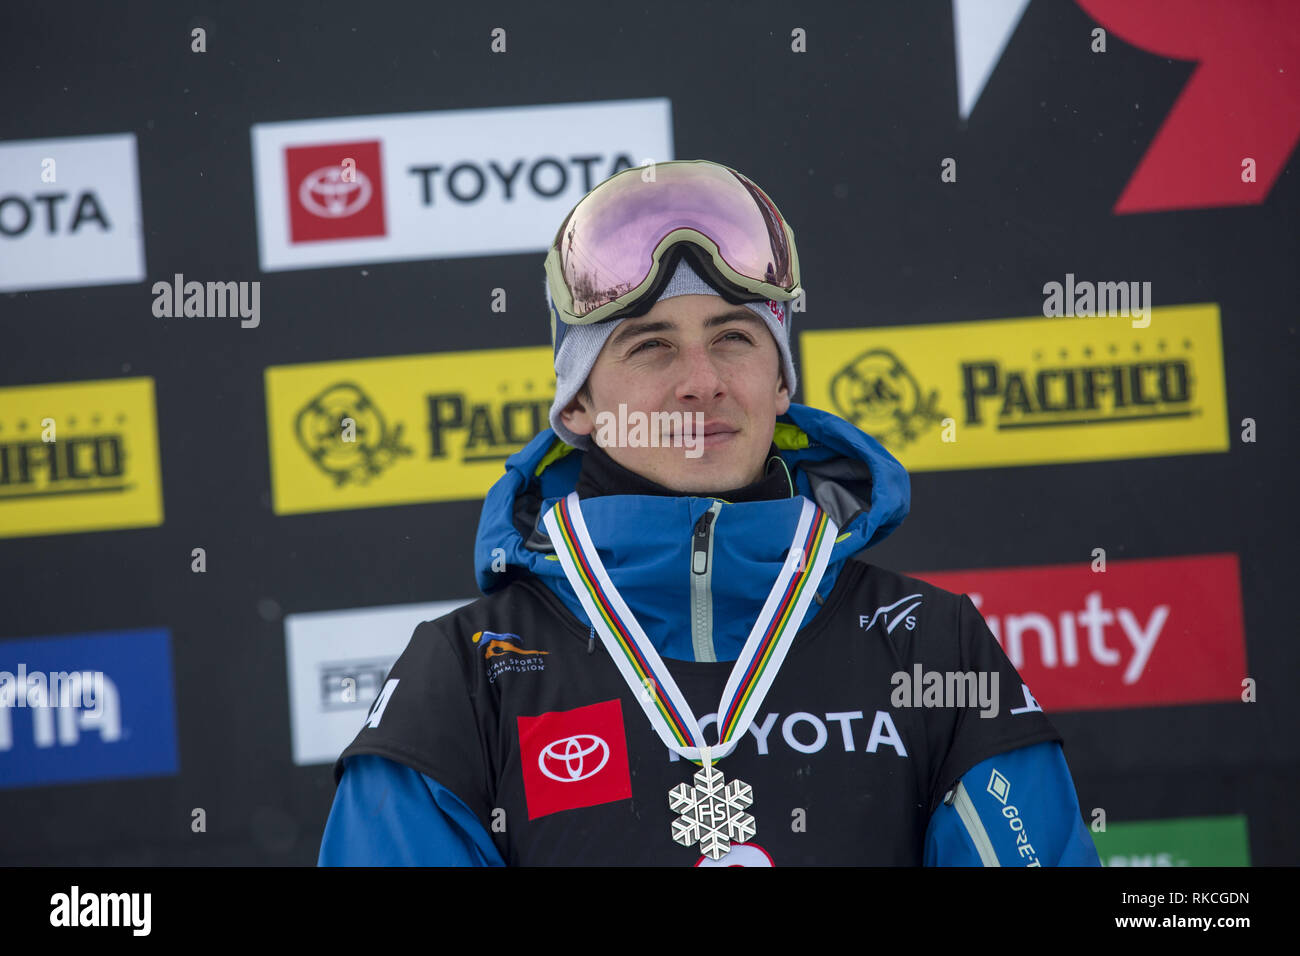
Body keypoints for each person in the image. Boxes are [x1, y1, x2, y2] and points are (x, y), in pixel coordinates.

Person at [317, 159, 1100, 866]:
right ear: (578, 404)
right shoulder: (467, 676)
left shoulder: (932, 646)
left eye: (734, 337)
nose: (702, 381)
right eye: (651, 346)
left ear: (781, 384)